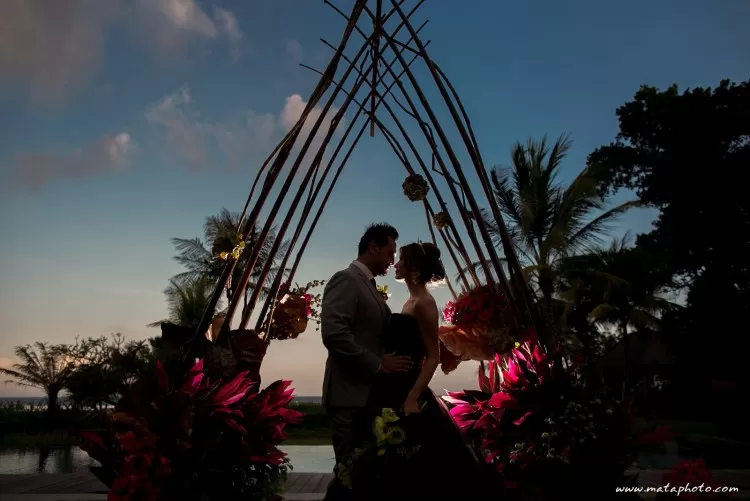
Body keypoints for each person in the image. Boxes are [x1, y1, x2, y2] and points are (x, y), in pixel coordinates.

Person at [341, 241, 488, 500]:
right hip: (389, 386)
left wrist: (412, 396)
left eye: (401, 261)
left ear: (414, 270)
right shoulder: (411, 300)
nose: (395, 265)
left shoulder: (424, 303)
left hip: (407, 390)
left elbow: (433, 356)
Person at [320, 223, 412, 501]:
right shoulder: (346, 279)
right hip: (349, 397)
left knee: (363, 477)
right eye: (389, 252)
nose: (391, 260)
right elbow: (334, 333)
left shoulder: (367, 284)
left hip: (366, 397)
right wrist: (377, 364)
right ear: (373, 247)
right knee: (349, 477)